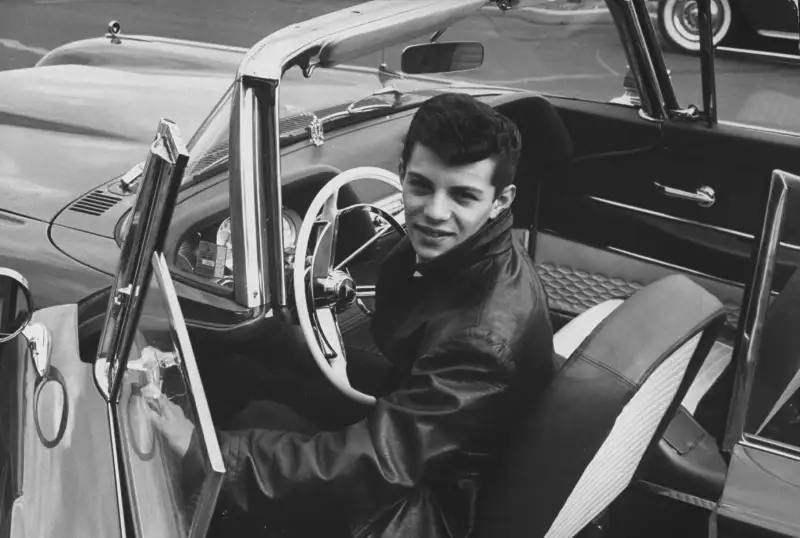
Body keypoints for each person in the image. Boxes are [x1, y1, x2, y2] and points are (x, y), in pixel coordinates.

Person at [151, 92, 556, 537]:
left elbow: (376, 465)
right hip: (430, 442)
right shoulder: (472, 255)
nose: (435, 214)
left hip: (429, 509)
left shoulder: (482, 338)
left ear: (501, 200)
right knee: (253, 361)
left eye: (463, 195)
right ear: (401, 173)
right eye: (421, 186)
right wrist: (274, 340)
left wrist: (206, 453)